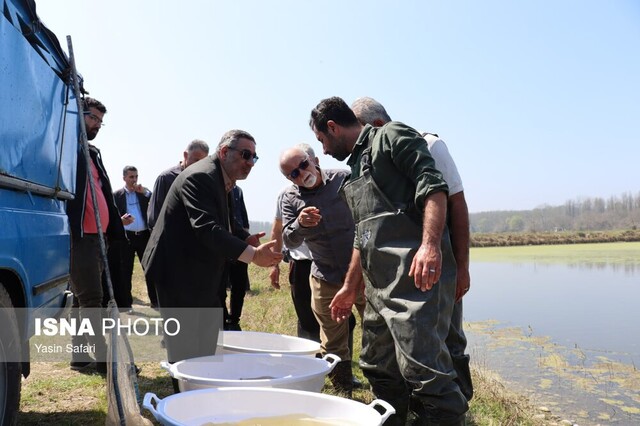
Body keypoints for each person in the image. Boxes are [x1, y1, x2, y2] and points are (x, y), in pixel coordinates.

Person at [310, 97, 468, 425]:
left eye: (322, 141)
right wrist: (350, 288)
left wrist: (429, 246)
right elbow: (363, 235)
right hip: (378, 289)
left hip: (414, 281)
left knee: (424, 371)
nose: (323, 150)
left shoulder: (391, 135)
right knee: (376, 365)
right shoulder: (353, 168)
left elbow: (435, 188)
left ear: (333, 127)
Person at [351, 96, 473, 402]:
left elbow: (456, 205)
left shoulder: (428, 145)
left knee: (446, 340)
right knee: (400, 350)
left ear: (377, 125)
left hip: (435, 269)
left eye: (359, 130)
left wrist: (461, 268)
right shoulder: (369, 162)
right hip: (398, 277)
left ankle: (458, 406)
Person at [141, 129, 282, 368]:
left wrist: (245, 237)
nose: (250, 163)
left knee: (206, 347)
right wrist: (254, 255)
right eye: (246, 155)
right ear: (225, 151)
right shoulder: (202, 176)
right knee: (187, 351)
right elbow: (206, 227)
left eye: (254, 158)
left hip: (198, 272)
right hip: (179, 274)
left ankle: (203, 392)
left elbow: (225, 221)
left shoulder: (221, 177)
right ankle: (186, 400)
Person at [279, 143, 365, 397]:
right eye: (293, 173)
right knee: (333, 342)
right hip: (325, 278)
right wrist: (300, 224)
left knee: (378, 333)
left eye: (303, 165)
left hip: (362, 275)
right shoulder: (290, 198)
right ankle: (342, 395)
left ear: (314, 160)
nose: (301, 173)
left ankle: (389, 390)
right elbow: (289, 240)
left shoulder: (345, 179)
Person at [66, 97, 126, 375]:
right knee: (92, 300)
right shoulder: (67, 147)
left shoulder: (91, 152)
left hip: (98, 237)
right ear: (79, 113)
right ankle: (104, 360)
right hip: (80, 237)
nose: (97, 125)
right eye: (93, 118)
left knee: (82, 300)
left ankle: (79, 357)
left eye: (101, 122)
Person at [269, 188, 320, 342]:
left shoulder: (332, 190)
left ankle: (338, 360)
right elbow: (277, 230)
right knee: (305, 316)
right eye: (292, 173)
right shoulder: (285, 195)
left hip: (329, 262)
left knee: (336, 315)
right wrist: (274, 265)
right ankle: (309, 358)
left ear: (316, 162)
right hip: (300, 263)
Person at [113, 166, 155, 309]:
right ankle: (126, 304)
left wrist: (145, 192)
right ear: (124, 178)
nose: (134, 180)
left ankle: (155, 302)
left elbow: (156, 198)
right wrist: (120, 219)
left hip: (144, 236)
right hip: (127, 238)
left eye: (136, 176)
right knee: (125, 271)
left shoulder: (142, 192)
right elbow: (112, 217)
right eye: (131, 177)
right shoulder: (117, 195)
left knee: (149, 269)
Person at [147, 139, 210, 230]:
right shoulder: (166, 178)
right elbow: (154, 217)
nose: (199, 166)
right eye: (196, 160)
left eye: (202, 163)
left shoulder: (203, 181)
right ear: (185, 155)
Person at [220, 185, 252, 330]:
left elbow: (243, 218)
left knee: (239, 284)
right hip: (221, 243)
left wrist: (247, 238)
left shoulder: (238, 190)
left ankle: (234, 320)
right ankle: (222, 319)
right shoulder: (212, 187)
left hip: (239, 242)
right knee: (220, 286)